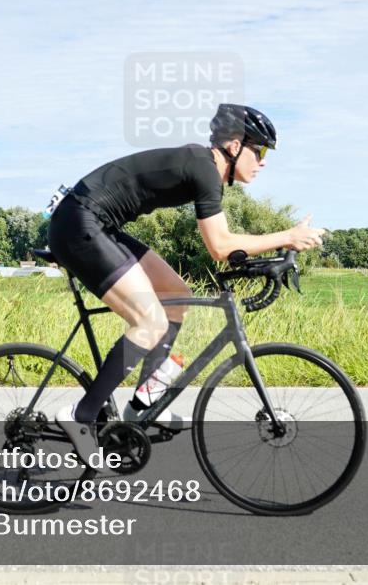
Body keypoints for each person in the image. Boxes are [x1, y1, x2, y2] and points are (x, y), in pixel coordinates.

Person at [47, 103, 325, 464]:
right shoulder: (204, 169)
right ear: (234, 145)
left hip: (96, 223)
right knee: (150, 322)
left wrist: (272, 253)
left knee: (176, 294)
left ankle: (142, 403)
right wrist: (286, 236)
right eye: (259, 150)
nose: (263, 161)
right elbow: (221, 247)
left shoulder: (203, 168)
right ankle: (81, 415)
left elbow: (224, 246)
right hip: (79, 223)